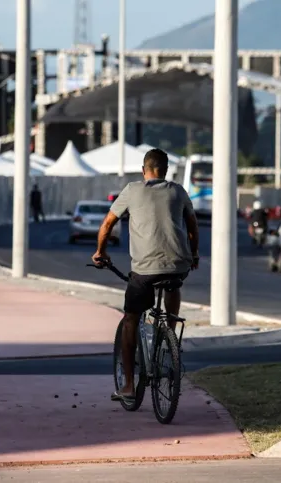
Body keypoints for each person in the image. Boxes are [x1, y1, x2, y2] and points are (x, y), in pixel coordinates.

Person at [92, 148, 200, 404]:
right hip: (178, 265)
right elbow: (192, 225)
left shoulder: (132, 190)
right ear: (165, 171)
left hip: (144, 271)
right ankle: (169, 335)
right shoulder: (178, 191)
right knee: (173, 283)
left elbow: (108, 224)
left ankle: (129, 386)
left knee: (131, 319)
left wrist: (100, 252)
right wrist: (194, 255)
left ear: (144, 170)